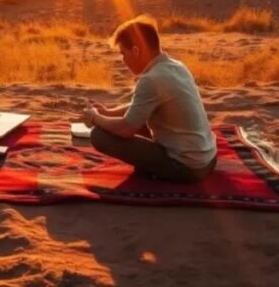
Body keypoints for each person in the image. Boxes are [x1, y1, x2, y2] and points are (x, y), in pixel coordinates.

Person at [83, 15, 217, 182]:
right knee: (133, 119)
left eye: (123, 54)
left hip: (187, 168)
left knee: (99, 135)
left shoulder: (151, 80)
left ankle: (158, 170)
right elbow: (140, 106)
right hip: (209, 160)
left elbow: (126, 129)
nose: (123, 61)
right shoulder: (177, 66)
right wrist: (108, 113)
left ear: (136, 51)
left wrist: (96, 118)